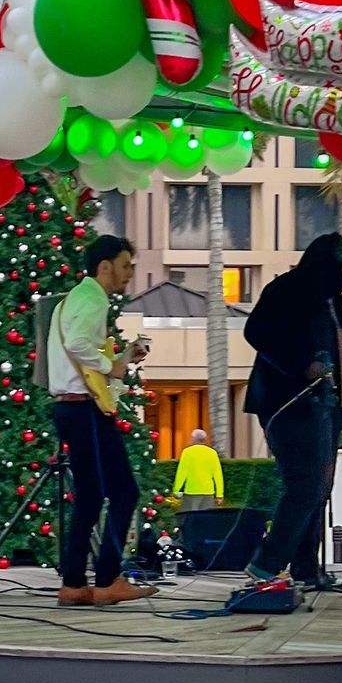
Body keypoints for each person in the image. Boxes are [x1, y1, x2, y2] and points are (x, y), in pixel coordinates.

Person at [237, 234, 342, 596]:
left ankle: (306, 568)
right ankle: (265, 563)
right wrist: (300, 365)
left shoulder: (333, 302)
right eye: (341, 266)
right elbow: (257, 332)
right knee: (306, 484)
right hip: (290, 403)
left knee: (319, 487)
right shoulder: (287, 290)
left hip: (326, 406)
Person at [47, 233, 155, 608]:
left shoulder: (71, 300)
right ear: (104, 266)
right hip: (85, 410)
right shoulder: (93, 299)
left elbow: (76, 350)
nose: (129, 274)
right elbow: (78, 345)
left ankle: (74, 583)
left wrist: (118, 358)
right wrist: (113, 365)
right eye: (125, 265)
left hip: (71, 406)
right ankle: (108, 579)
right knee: (124, 492)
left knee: (91, 497)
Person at [172, 428, 224, 513]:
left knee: (189, 517)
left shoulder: (187, 452)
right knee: (206, 518)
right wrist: (219, 495)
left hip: (191, 491)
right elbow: (218, 475)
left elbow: (182, 472)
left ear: (193, 438)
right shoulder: (212, 453)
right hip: (208, 492)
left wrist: (176, 490)